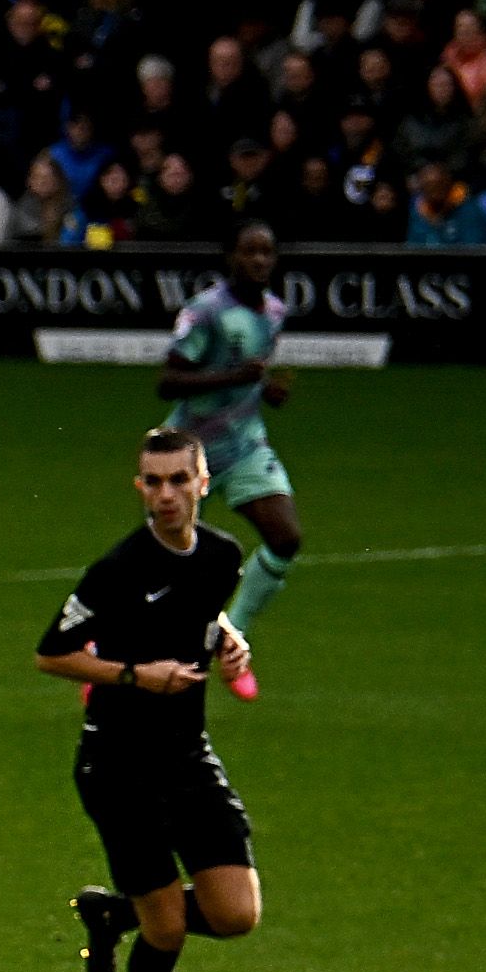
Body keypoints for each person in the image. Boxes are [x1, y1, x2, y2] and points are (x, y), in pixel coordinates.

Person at [42, 430, 266, 972]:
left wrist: (228, 641)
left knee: (236, 914)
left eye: (177, 480)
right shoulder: (118, 570)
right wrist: (137, 676)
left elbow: (204, 613)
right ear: (139, 487)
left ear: (203, 483)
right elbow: (52, 653)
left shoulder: (223, 555)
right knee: (166, 928)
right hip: (118, 766)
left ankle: (116, 913)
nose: (165, 494)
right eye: (152, 481)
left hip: (188, 757)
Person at [154, 220, 304, 668]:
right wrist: (235, 378)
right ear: (230, 257)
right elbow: (168, 382)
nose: (259, 260)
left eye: (267, 252)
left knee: (285, 538)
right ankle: (111, 652)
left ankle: (231, 637)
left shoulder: (274, 311)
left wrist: (266, 391)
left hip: (244, 446)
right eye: (249, 251)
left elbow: (250, 373)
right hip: (187, 451)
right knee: (160, 566)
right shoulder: (206, 312)